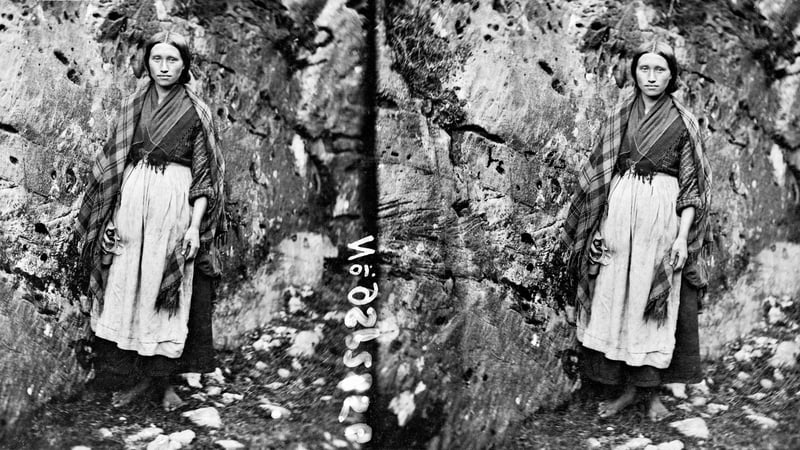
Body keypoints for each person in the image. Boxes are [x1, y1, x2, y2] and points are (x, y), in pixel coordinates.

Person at [75, 31, 226, 411]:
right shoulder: (133, 105)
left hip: (174, 204)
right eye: (156, 59)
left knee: (165, 289)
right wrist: (109, 214)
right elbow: (114, 161)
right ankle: (133, 380)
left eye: (172, 60)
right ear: (147, 62)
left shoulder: (197, 111)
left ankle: (163, 382)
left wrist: (194, 226)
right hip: (131, 199)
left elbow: (206, 177)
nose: (163, 67)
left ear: (185, 65)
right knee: (127, 286)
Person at [561, 41, 712, 421]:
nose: (651, 77)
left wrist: (681, 236)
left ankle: (650, 391)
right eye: (644, 69)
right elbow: (600, 173)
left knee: (653, 301)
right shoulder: (620, 115)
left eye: (660, 70)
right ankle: (624, 389)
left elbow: (693, 186)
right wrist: (595, 224)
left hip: (661, 218)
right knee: (618, 297)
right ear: (634, 73)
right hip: (618, 212)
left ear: (672, 76)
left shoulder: (684, 121)